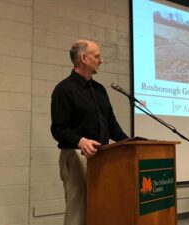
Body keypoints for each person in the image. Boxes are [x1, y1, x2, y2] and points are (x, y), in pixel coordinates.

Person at [50, 39, 129, 225]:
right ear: (84, 58)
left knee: (101, 208)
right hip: (77, 156)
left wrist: (130, 143)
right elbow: (58, 129)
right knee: (78, 213)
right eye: (97, 56)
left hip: (103, 157)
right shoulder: (64, 89)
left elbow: (111, 125)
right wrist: (81, 141)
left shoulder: (100, 90)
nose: (101, 61)